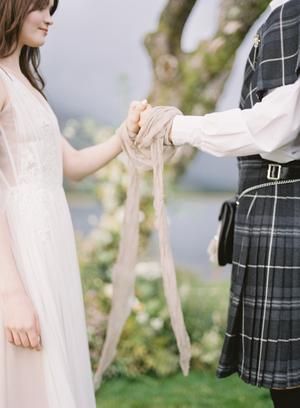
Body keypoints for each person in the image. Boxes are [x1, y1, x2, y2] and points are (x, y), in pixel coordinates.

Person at [138, 0, 300, 407]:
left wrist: (177, 128)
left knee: (291, 383)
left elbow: (275, 126)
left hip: (286, 211)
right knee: (288, 382)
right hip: (274, 207)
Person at [0, 0, 145, 407]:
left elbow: (74, 166)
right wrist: (11, 293)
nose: (49, 18)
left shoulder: (28, 87)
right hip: (17, 248)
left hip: (50, 244)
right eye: (39, 8)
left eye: (52, 8)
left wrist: (123, 133)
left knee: (53, 368)